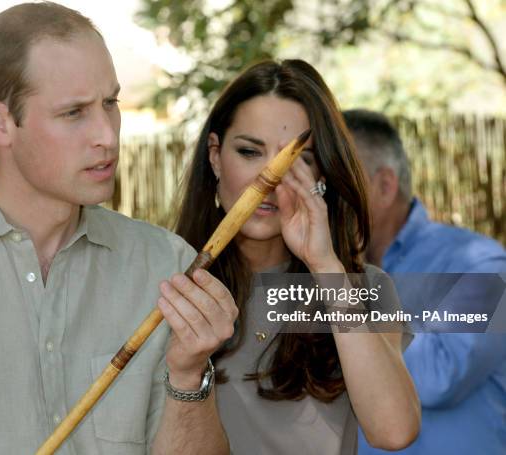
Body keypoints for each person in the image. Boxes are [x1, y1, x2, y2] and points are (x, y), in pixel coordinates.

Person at [0, 3, 238, 454]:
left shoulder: (166, 266)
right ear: (0, 122)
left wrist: (189, 375)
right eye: (74, 112)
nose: (109, 136)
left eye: (110, 103)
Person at [174, 60, 420, 455]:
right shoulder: (169, 284)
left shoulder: (364, 287)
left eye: (296, 159)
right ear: (216, 156)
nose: (269, 178)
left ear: (322, 175)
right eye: (250, 151)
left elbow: (394, 431)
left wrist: (325, 266)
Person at [344, 109, 506, 455]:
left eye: (338, 183)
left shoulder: (481, 263)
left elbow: (441, 376)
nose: (320, 201)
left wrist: (346, 292)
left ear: (385, 186)